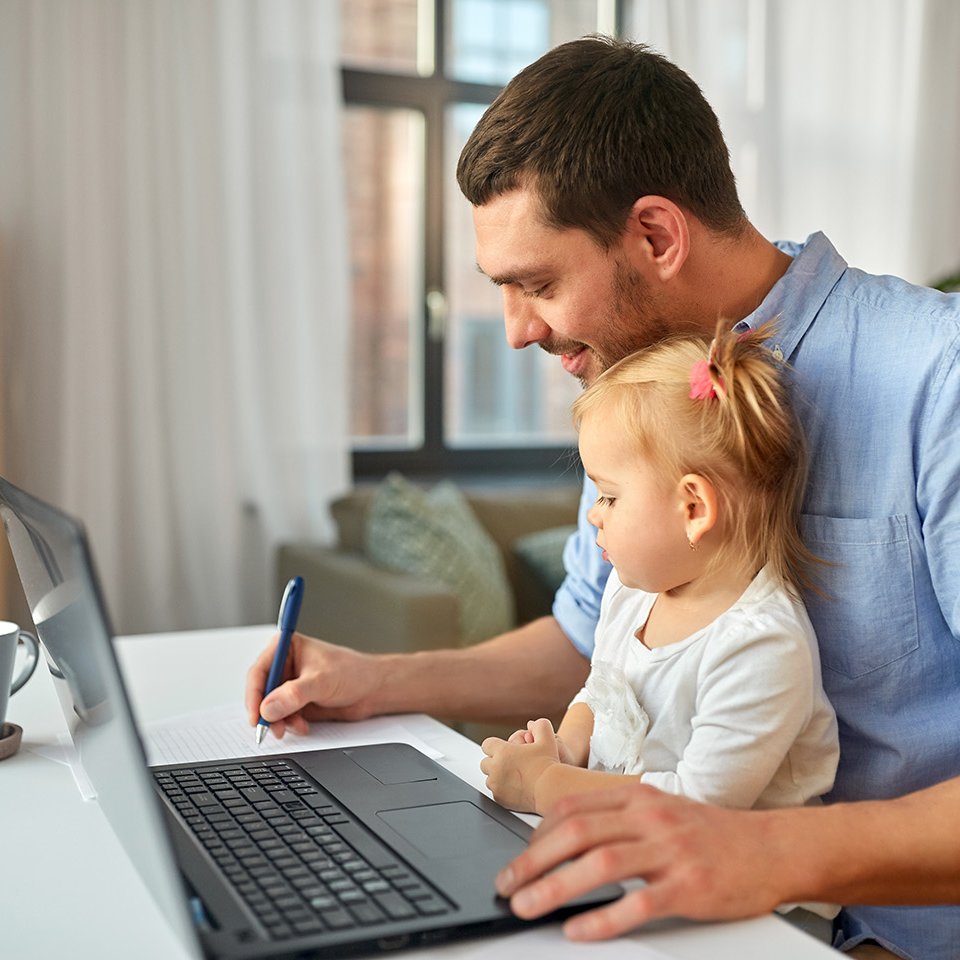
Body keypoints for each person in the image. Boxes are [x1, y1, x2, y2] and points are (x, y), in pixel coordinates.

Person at [245, 36, 960, 960]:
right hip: (698, 915)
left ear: (657, 236)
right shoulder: (641, 387)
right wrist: (373, 682)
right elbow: (587, 642)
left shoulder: (937, 378)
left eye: (537, 284)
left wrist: (754, 853)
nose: (516, 331)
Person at [479, 325, 839, 834]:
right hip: (631, 850)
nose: (593, 515)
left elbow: (697, 805)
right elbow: (600, 694)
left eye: (609, 496)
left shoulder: (760, 645)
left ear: (693, 508)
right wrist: (562, 751)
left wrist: (546, 786)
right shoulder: (631, 594)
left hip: (744, 879)